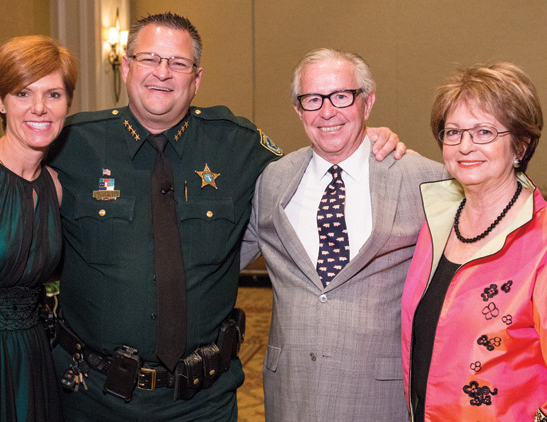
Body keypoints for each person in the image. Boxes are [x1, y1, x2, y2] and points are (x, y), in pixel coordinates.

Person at [47, 13, 402, 422]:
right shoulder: (69, 143)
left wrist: (364, 140)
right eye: (149, 59)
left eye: (178, 63)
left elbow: (312, 172)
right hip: (90, 397)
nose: (163, 73)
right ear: (126, 67)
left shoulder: (239, 144)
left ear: (196, 79)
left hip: (203, 401)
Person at [241, 48, 447, 422]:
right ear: (298, 109)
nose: (327, 111)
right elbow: (217, 260)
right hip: (291, 393)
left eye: (341, 96)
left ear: (367, 103)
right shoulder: (272, 181)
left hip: (380, 395)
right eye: (312, 99)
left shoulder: (424, 180)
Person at [401, 62, 547, 421]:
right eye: (453, 132)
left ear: (521, 145)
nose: (465, 146)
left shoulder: (541, 241)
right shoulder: (437, 223)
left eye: (483, 132)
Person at [0, 35, 77, 422]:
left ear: (68, 103)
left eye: (53, 95)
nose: (39, 108)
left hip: (32, 362)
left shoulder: (56, 187)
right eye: (23, 93)